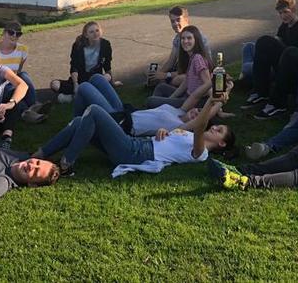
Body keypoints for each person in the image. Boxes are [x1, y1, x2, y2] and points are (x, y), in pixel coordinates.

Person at [33, 93, 234, 177]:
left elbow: (200, 126)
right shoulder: (188, 135)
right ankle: (39, 154)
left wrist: (211, 102)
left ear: (222, 144)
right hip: (138, 143)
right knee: (79, 122)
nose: (215, 128)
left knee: (94, 111)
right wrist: (163, 132)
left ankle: (66, 165)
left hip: (137, 152)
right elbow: (173, 137)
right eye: (217, 126)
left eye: (219, 131)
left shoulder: (202, 153)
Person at [71, 73, 232, 136]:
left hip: (121, 124)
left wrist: (224, 95)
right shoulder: (179, 110)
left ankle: (77, 127)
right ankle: (80, 126)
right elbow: (196, 95)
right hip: (125, 111)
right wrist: (213, 80)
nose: (196, 112)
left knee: (84, 87)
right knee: (97, 78)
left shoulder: (179, 128)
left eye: (198, 116)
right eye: (198, 109)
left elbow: (205, 116)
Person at [241, 0, 298, 105]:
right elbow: (277, 42)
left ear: (294, 10)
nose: (283, 16)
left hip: (289, 68)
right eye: (280, 13)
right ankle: (259, 89)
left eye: (285, 12)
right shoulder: (284, 26)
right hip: (275, 63)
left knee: (250, 64)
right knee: (249, 46)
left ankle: (250, 80)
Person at [144, 25, 213, 109]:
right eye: (183, 38)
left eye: (189, 38)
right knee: (161, 87)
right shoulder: (192, 57)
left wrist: (215, 107)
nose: (185, 41)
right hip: (186, 95)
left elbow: (208, 84)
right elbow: (185, 83)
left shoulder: (198, 58)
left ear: (196, 40)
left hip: (192, 102)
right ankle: (159, 112)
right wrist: (170, 99)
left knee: (150, 101)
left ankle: (156, 112)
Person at [0, 21, 49, 124]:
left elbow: (18, 71)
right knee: (16, 91)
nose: (14, 36)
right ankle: (33, 109)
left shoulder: (22, 50)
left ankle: (31, 110)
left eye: (18, 34)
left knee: (23, 76)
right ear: (4, 33)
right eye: (11, 32)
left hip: (13, 81)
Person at [147, 6, 212, 89]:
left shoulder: (197, 38)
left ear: (186, 20)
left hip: (195, 73)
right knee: (149, 69)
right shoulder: (177, 38)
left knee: (179, 79)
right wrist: (158, 74)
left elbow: (192, 70)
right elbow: (171, 61)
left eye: (178, 20)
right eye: (172, 21)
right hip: (180, 70)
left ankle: (166, 85)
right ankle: (163, 83)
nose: (175, 24)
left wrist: (166, 75)